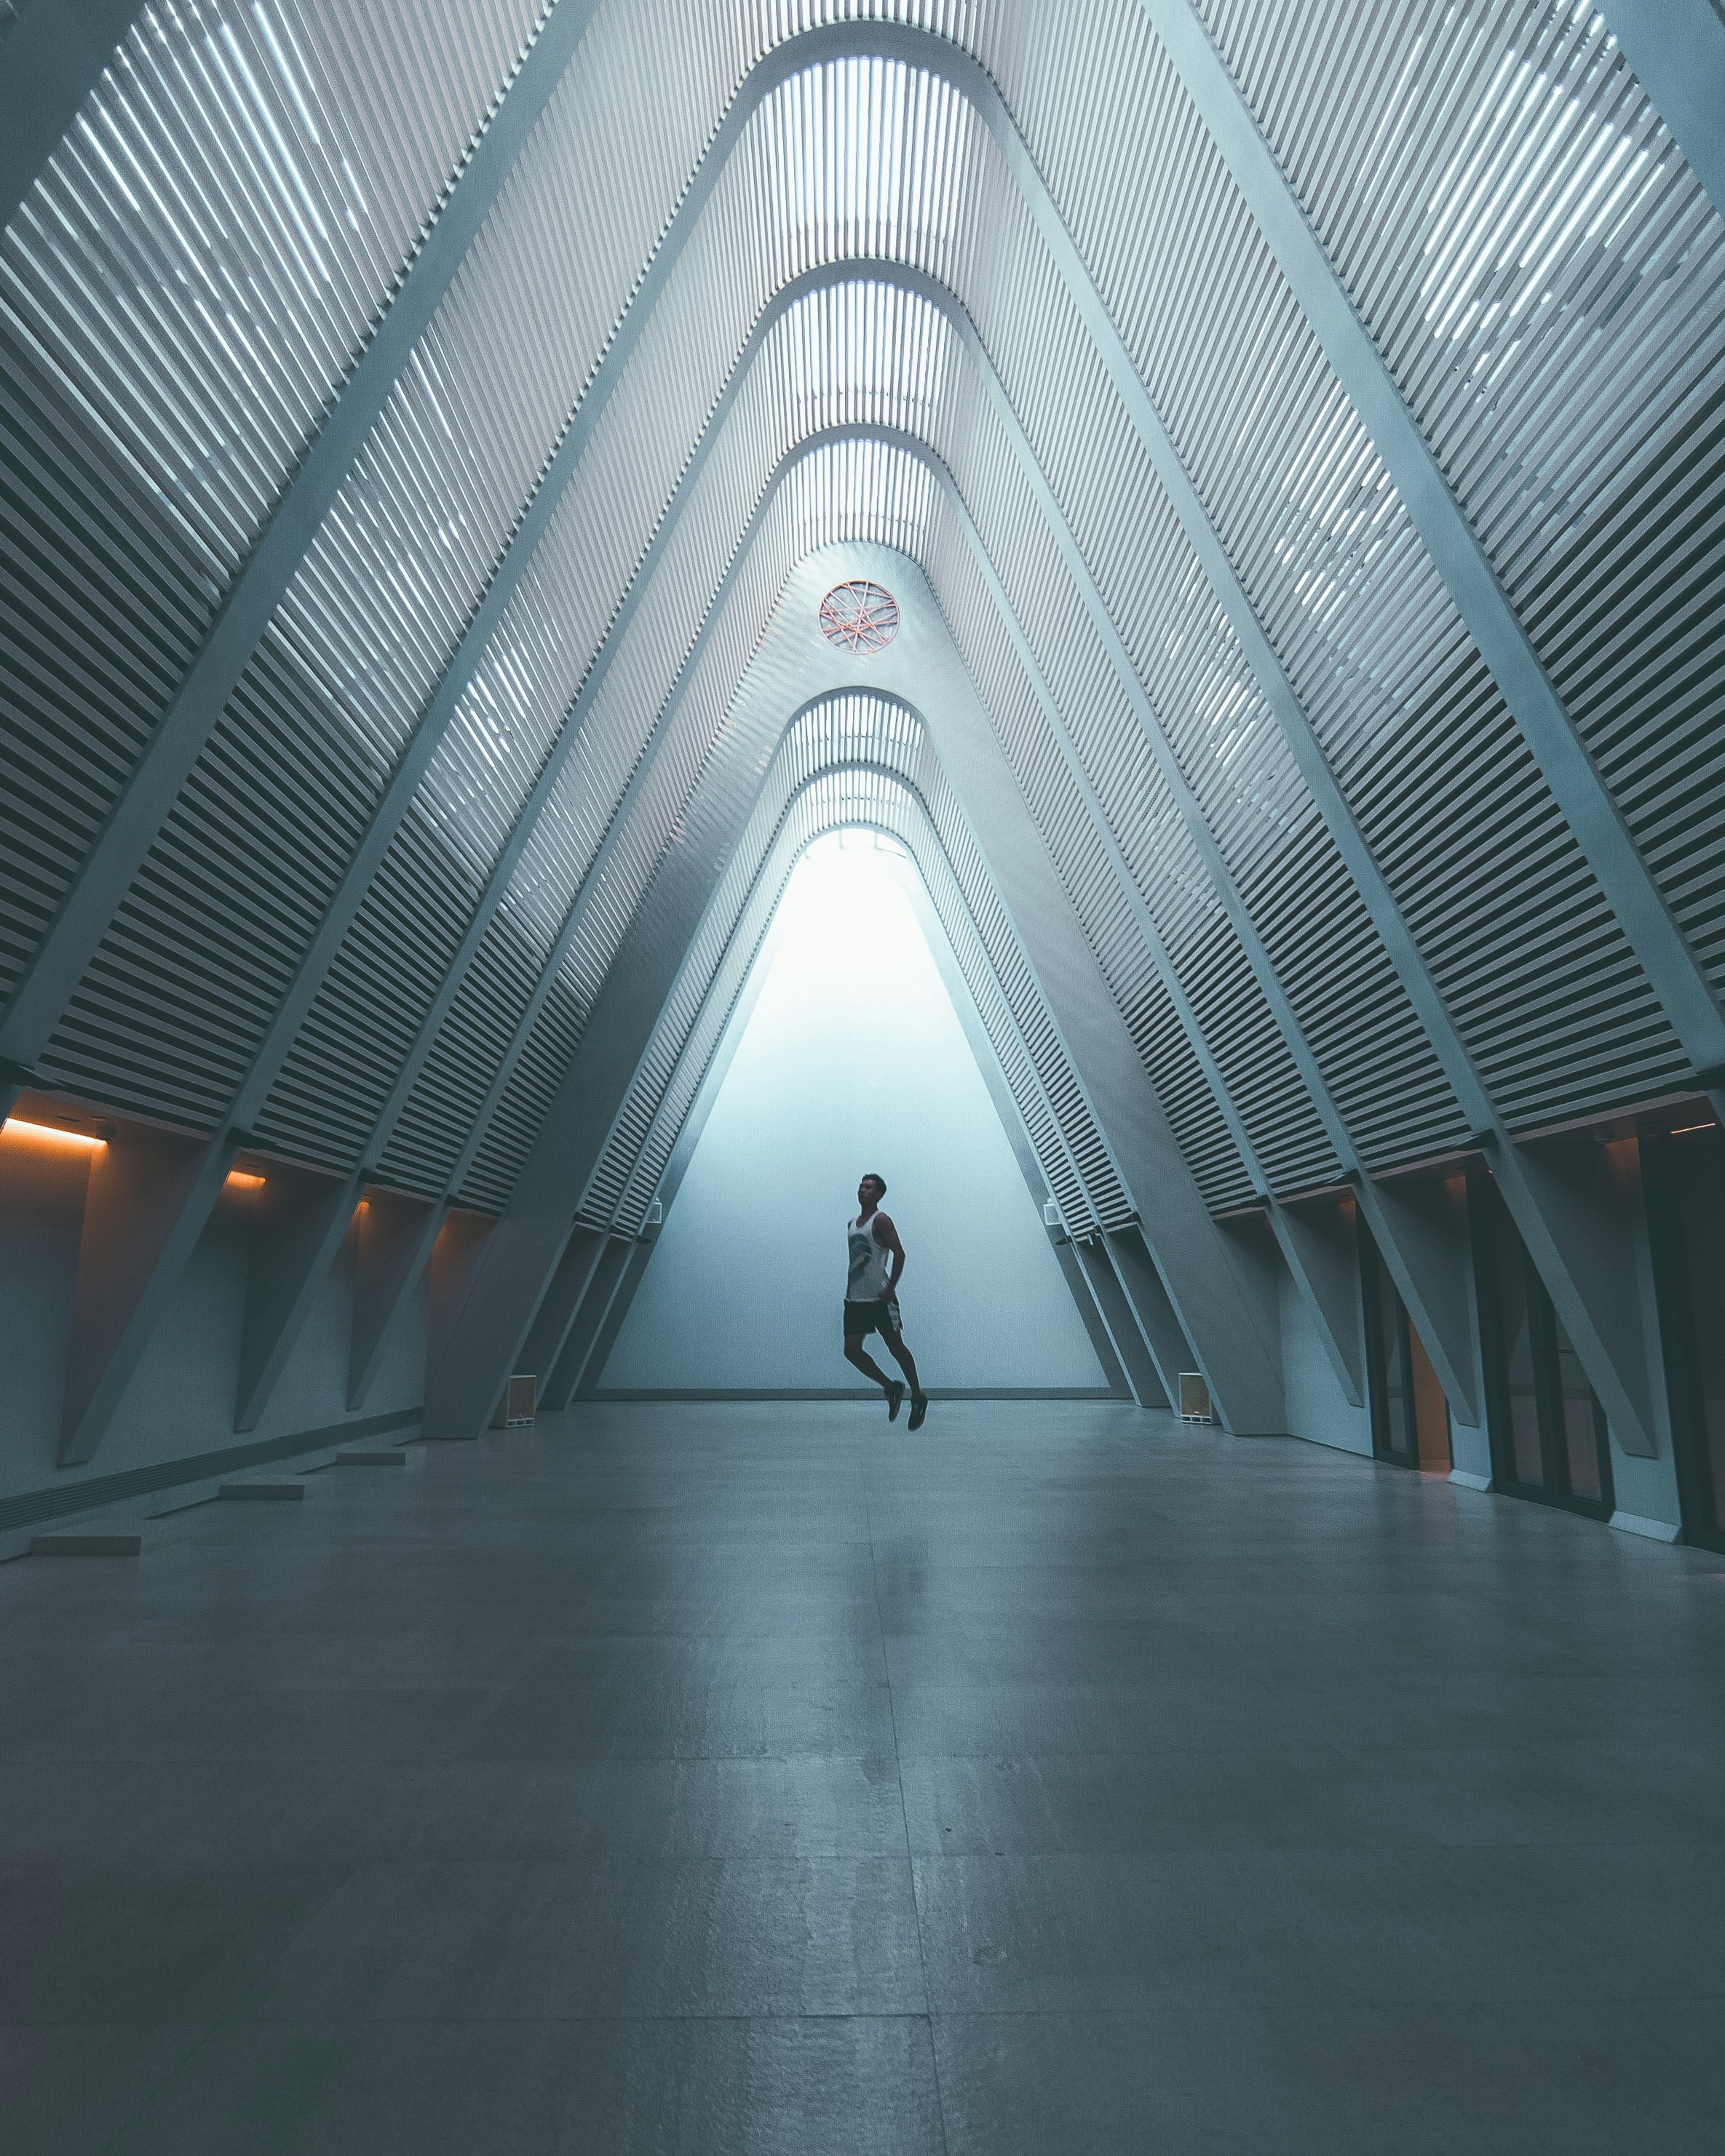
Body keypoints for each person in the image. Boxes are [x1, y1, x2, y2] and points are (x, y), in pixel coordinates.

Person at [843, 1172, 928, 1431]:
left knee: (896, 1348)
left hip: (880, 1299)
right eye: (860, 1186)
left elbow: (900, 1253)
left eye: (868, 1187)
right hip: (855, 1299)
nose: (862, 1190)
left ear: (878, 1194)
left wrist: (891, 1288)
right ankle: (891, 1387)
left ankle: (917, 1396)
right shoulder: (852, 1224)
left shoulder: (881, 1220)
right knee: (851, 1351)